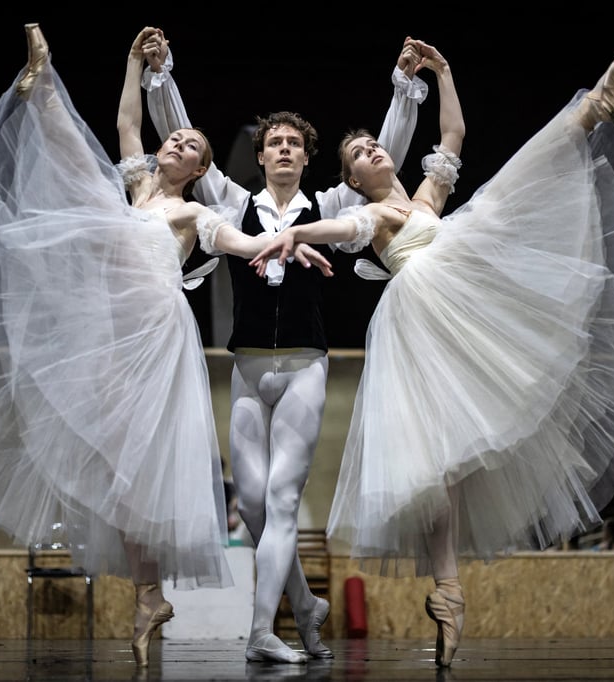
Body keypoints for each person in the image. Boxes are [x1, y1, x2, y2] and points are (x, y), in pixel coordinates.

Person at [0, 24, 331, 667]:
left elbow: (246, 246)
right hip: (113, 331)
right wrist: (134, 66)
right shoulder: (135, 189)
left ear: (199, 170)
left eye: (191, 143)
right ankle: (149, 596)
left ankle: (154, 594)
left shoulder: (197, 213)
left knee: (142, 468)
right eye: (175, 136)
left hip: (157, 337)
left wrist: (287, 241)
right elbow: (125, 123)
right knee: (118, 469)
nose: (177, 140)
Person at [250, 40, 614, 667]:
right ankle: (448, 593)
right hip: (422, 321)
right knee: (433, 469)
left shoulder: (424, 200)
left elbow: (454, 132)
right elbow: (334, 230)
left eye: (374, 145)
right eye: (360, 155)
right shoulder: (375, 217)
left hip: (460, 298)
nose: (373, 150)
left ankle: (593, 110)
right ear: (354, 181)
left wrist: (443, 72)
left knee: (511, 190)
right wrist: (289, 235)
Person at [142, 31, 428, 664]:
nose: (283, 148)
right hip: (245, 368)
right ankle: (306, 606)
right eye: (274, 141)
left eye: (295, 142)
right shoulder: (232, 201)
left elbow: (386, 162)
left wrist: (402, 91)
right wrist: (161, 74)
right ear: (260, 152)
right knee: (260, 513)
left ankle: (261, 632)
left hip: (304, 366)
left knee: (282, 500)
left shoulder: (330, 204)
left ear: (307, 157)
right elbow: (186, 142)